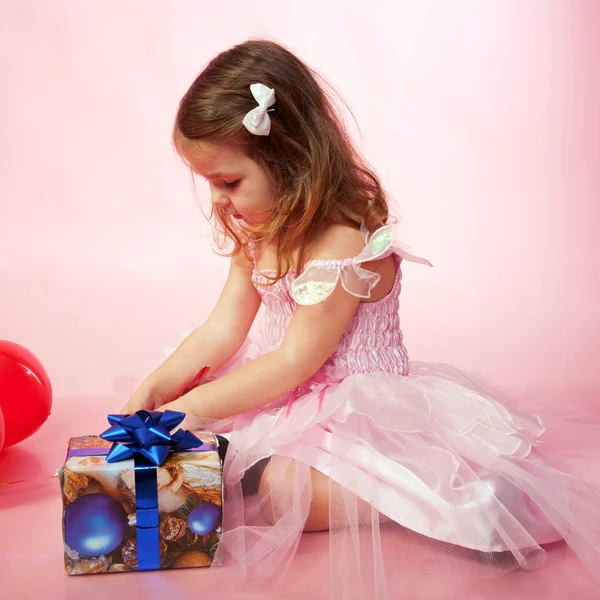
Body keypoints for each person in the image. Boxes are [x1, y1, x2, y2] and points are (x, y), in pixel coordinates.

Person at [122, 39, 600, 598]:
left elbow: (296, 361)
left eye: (229, 181)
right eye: (209, 183)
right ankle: (280, 462)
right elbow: (223, 328)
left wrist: (194, 409)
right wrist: (164, 384)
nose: (221, 200)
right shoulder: (256, 228)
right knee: (219, 452)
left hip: (350, 402)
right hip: (288, 393)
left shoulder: (341, 243)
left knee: (280, 491)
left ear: (290, 156)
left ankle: (423, 495)